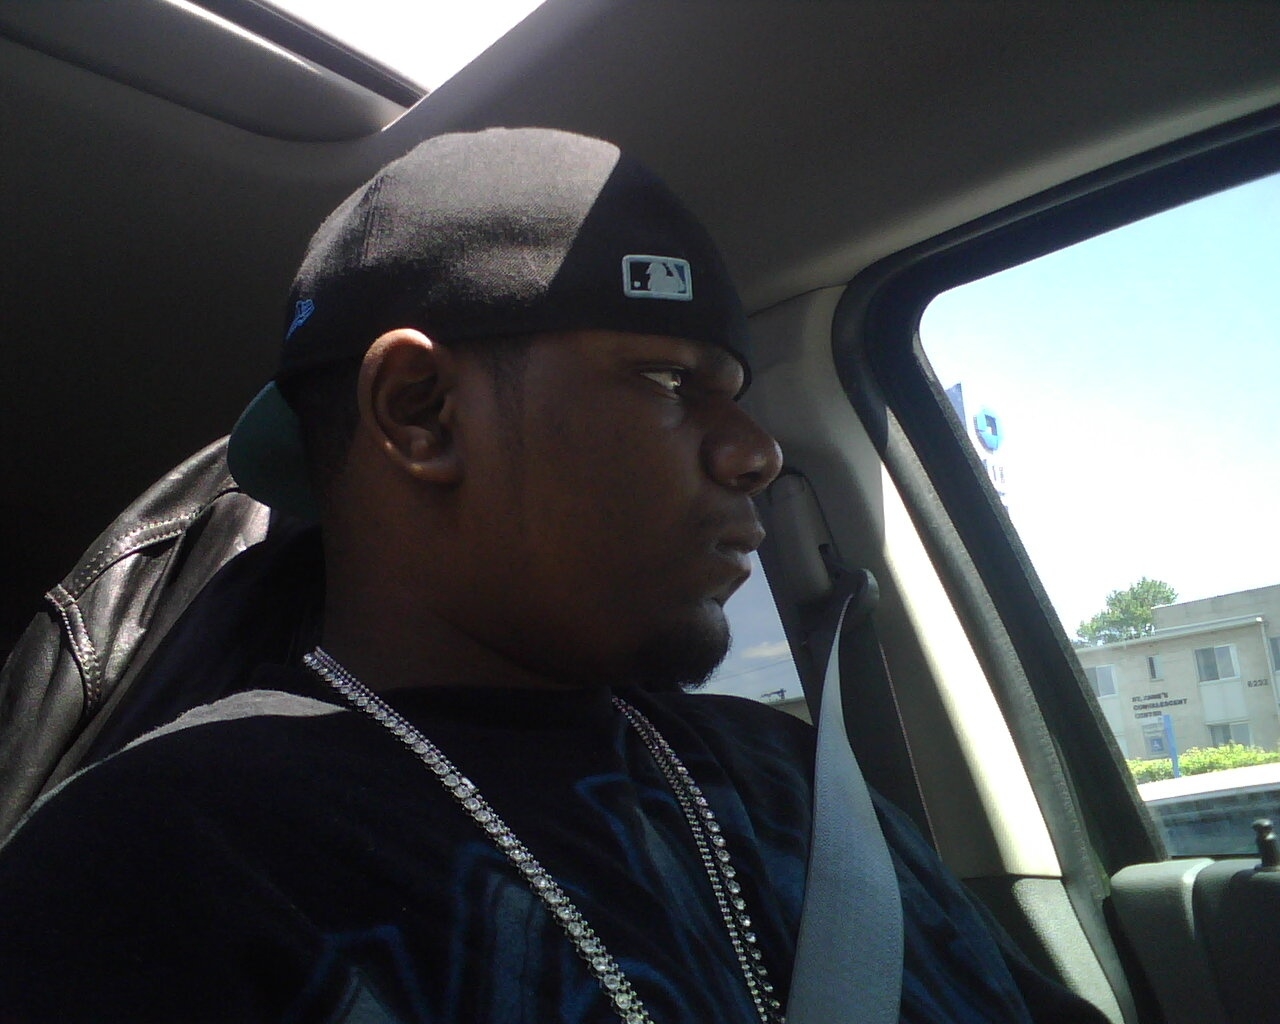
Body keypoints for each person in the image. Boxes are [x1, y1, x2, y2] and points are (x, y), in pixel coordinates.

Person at [0, 128, 1110, 1023]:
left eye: (737, 392)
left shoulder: (789, 780)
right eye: (669, 381)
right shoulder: (146, 863)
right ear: (422, 412)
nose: (755, 453)